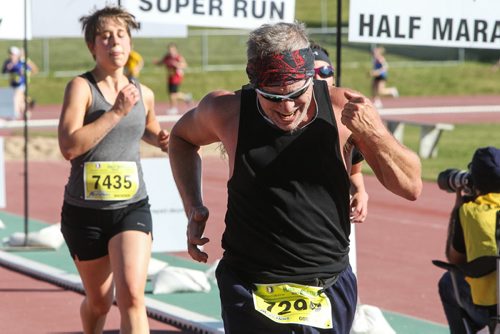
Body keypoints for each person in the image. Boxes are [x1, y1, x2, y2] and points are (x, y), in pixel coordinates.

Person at [168, 21, 422, 333]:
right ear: (254, 83)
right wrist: (193, 205)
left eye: (296, 94)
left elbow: (411, 187)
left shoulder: (345, 109)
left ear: (311, 77)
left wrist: (376, 135)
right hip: (249, 283)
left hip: (326, 284)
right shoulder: (227, 111)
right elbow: (180, 139)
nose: (287, 107)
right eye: (272, 97)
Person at [57, 6, 169, 334]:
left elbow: (147, 127)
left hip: (131, 208)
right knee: (100, 302)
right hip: (85, 213)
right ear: (93, 46)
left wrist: (161, 139)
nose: (114, 43)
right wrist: (116, 111)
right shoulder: (81, 88)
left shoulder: (143, 92)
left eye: (121, 35)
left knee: (133, 296)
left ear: (130, 43)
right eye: (105, 37)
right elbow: (69, 147)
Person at [438, 146, 500, 334]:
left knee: (448, 281)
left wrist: (457, 209)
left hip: (491, 309)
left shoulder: (470, 212)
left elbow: (453, 258)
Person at [311, 42, 368, 224]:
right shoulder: (286, 114)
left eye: (326, 71)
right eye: (312, 72)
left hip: (334, 220)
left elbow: (355, 171)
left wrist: (360, 191)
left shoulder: (347, 117)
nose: (320, 77)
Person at [1, 46, 38, 119]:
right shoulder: (8, 62)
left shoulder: (22, 62)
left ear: (17, 55)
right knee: (21, 101)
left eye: (13, 54)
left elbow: (34, 70)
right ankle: (26, 112)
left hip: (21, 84)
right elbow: (3, 71)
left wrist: (25, 73)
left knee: (15, 97)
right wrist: (7, 67)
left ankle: (15, 114)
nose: (11, 56)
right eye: (10, 54)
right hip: (12, 84)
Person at [154, 42, 192, 115]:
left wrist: (177, 64)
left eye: (172, 49)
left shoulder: (178, 57)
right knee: (172, 93)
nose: (171, 51)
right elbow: (162, 62)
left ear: (176, 50)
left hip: (177, 76)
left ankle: (174, 108)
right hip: (170, 76)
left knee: (172, 94)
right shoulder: (167, 57)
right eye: (170, 49)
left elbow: (185, 65)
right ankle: (186, 97)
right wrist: (157, 63)